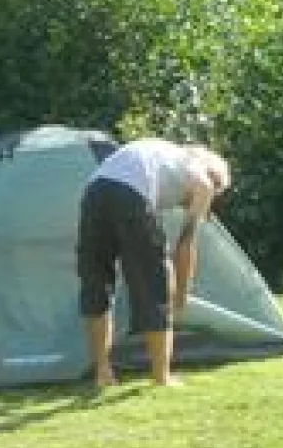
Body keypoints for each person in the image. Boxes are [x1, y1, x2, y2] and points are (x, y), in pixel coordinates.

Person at [76, 138, 231, 388]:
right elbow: (185, 246)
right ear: (215, 182)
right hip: (130, 194)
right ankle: (162, 376)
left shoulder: (167, 157)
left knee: (97, 282)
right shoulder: (204, 182)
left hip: (94, 192)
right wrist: (180, 297)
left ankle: (103, 373)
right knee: (155, 285)